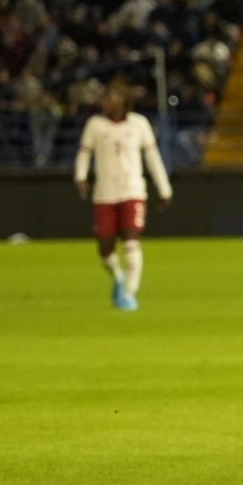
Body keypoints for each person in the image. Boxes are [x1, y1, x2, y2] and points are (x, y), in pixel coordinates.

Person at [73, 76, 172, 311]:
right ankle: (118, 276)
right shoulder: (95, 125)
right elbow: (85, 153)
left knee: (131, 240)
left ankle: (129, 292)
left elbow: (152, 157)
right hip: (105, 193)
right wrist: (80, 175)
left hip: (133, 190)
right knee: (105, 247)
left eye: (111, 97)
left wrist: (164, 187)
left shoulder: (139, 124)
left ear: (123, 101)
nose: (106, 102)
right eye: (106, 97)